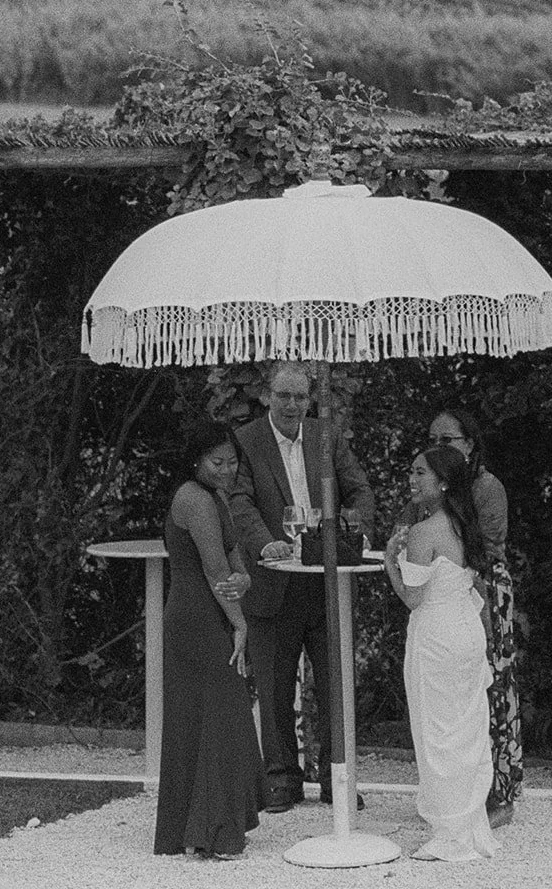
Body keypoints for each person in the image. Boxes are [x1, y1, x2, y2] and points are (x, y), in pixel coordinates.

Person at [229, 360, 375, 812]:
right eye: (284, 395)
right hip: (274, 583)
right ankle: (280, 781)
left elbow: (360, 491)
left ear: (310, 399)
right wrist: (264, 542)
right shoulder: (246, 441)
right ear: (268, 396)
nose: (292, 404)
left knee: (335, 682)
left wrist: (354, 520)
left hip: (327, 582)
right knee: (272, 685)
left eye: (300, 396)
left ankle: (338, 780)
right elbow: (238, 500)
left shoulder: (325, 435)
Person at [154, 421, 267, 858]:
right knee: (217, 717)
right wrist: (241, 622)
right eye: (217, 462)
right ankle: (212, 832)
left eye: (232, 461)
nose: (226, 469)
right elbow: (214, 570)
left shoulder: (215, 497)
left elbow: (234, 562)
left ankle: (202, 825)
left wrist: (245, 579)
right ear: (196, 461)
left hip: (211, 610)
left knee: (219, 716)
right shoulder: (193, 498)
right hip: (197, 617)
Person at [383, 445, 497, 863]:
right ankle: (467, 822)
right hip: (466, 631)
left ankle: (450, 831)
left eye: (420, 474)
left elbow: (413, 598)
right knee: (465, 729)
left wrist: (390, 563)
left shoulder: (422, 532)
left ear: (443, 482)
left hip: (436, 633)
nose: (411, 480)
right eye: (411, 472)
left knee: (436, 732)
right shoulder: (466, 525)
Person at [428, 405, 520, 828]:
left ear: (470, 444)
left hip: (484, 591)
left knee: (491, 687)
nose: (438, 447)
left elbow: (487, 548)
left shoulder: (486, 487)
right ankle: (460, 790)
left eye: (447, 440)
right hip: (446, 594)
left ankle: (498, 795)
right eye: (433, 441)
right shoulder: (437, 488)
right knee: (455, 696)